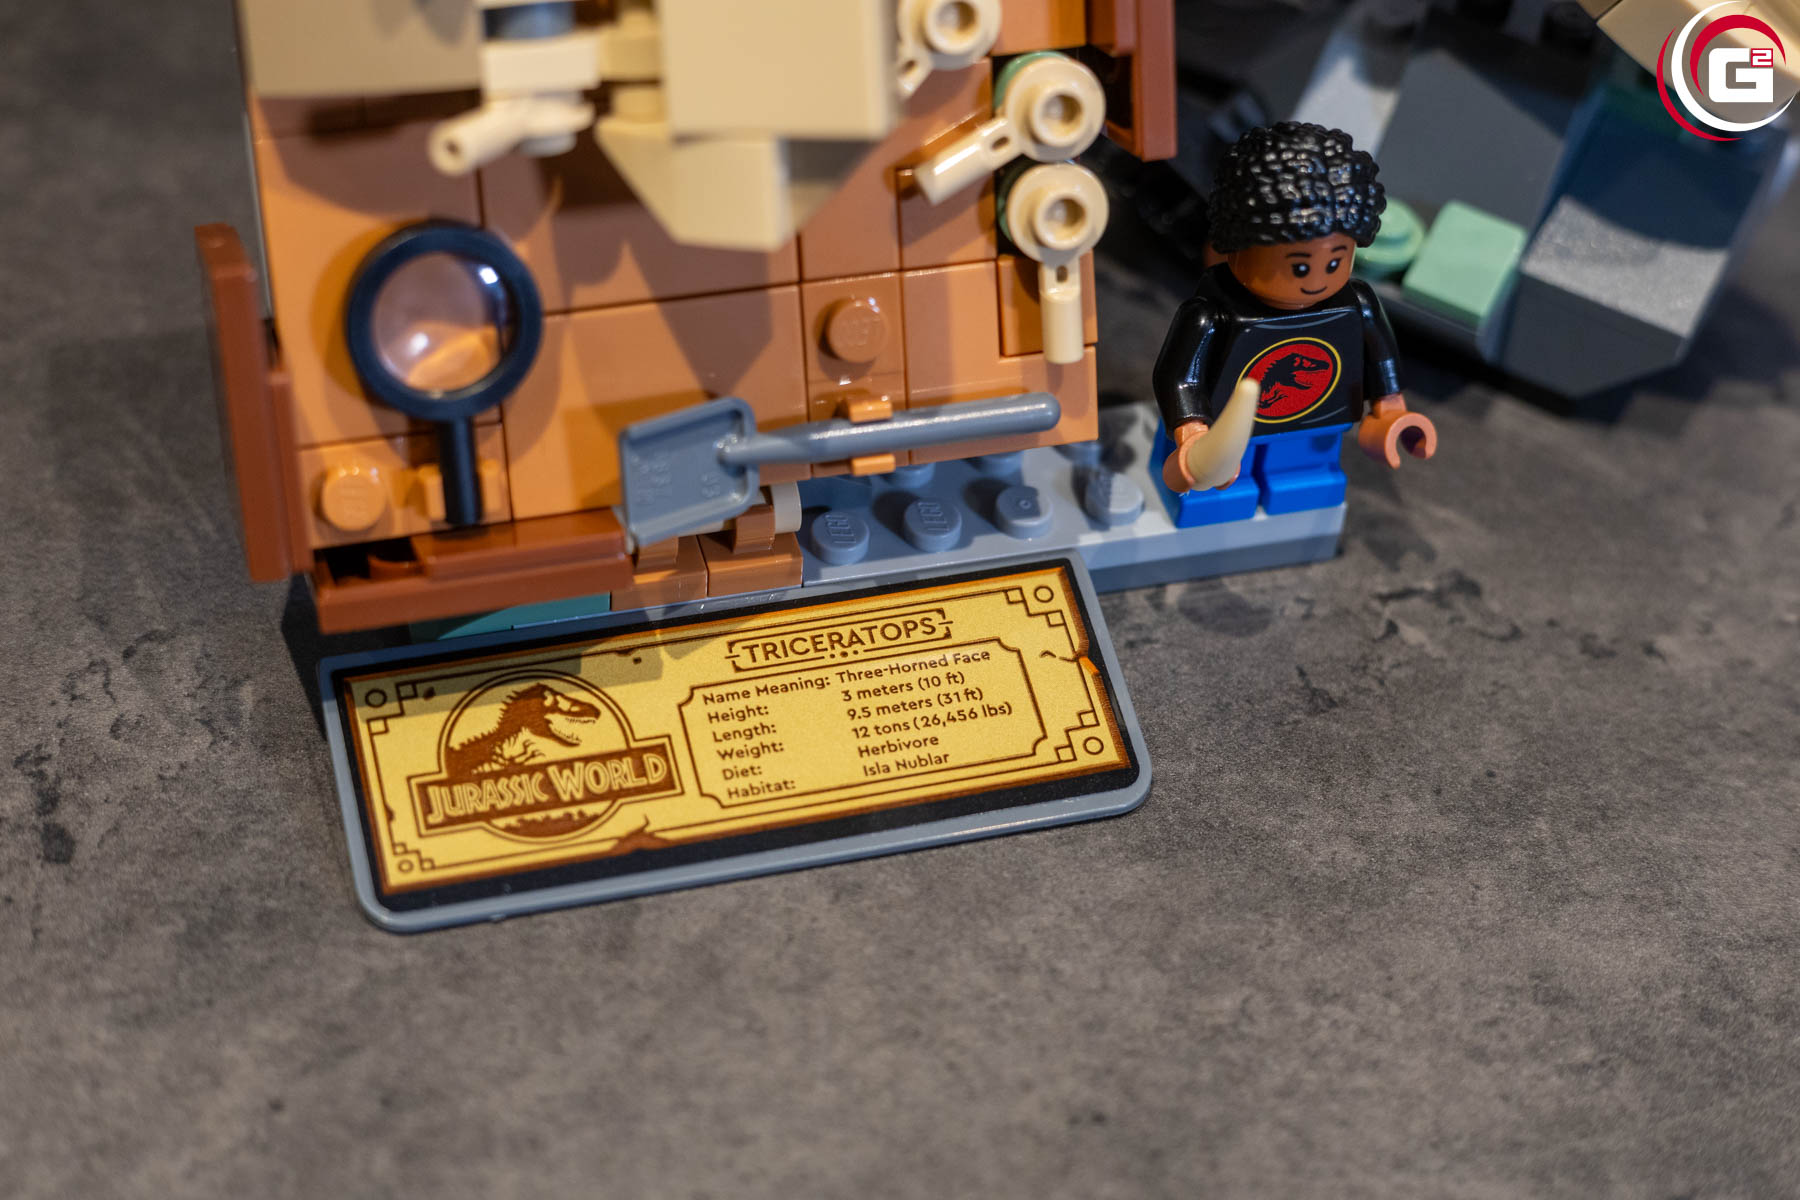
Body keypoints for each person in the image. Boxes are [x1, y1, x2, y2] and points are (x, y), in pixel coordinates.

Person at [1152, 122, 1435, 525]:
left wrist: (1390, 411)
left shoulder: (1356, 304)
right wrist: (1192, 431)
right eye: (1299, 266)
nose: (1317, 280)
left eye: (1334, 262)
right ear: (1237, 245)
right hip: (1225, 438)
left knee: (1304, 479)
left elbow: (1380, 357)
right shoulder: (1212, 314)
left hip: (1314, 429)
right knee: (1219, 490)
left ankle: (1299, 512)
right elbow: (1180, 377)